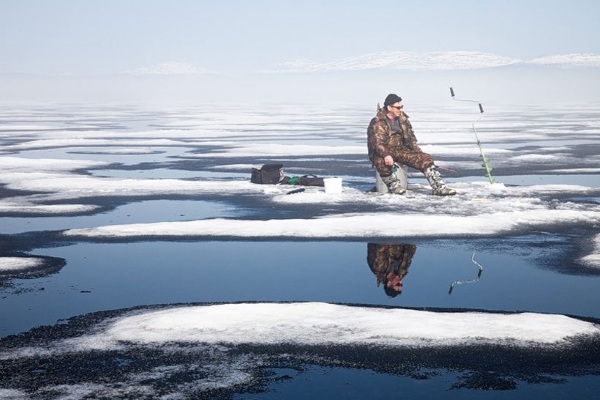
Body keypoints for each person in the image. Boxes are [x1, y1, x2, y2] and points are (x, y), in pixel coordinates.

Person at [367, 93, 456, 196]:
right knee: (381, 161)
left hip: (400, 149)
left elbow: (411, 138)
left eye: (402, 107)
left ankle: (439, 187)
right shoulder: (378, 122)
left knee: (425, 158)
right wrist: (386, 155)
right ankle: (394, 186)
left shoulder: (403, 119)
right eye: (398, 107)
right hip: (382, 151)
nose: (400, 109)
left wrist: (418, 153)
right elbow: (377, 142)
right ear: (389, 107)